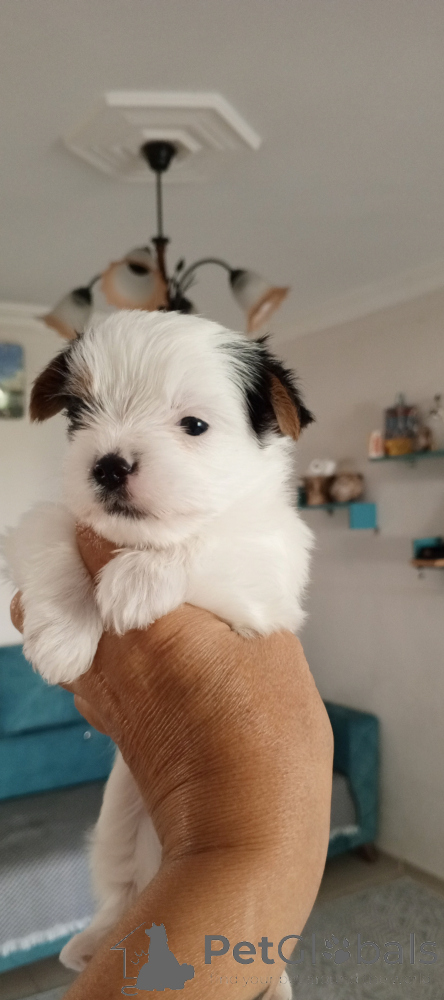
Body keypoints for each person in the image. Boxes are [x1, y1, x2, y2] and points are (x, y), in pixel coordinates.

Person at [10, 525, 333, 1000]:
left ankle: (254, 971)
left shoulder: (266, 528)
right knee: (126, 817)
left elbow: (272, 594)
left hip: (234, 703)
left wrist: (175, 566)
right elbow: (31, 542)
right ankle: (120, 913)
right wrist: (62, 598)